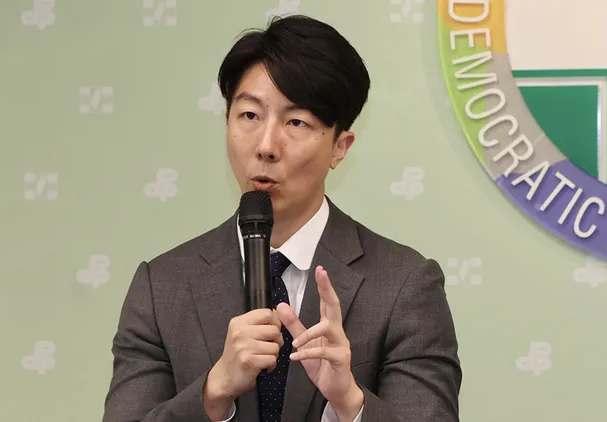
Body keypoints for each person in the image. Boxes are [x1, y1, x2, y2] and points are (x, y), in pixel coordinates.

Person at [102, 14, 462, 422]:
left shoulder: (404, 285)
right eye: (249, 116)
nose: (266, 146)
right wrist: (213, 392)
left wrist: (349, 402)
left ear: (340, 147)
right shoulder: (162, 287)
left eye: (296, 122)